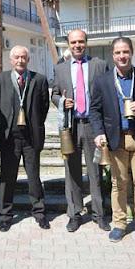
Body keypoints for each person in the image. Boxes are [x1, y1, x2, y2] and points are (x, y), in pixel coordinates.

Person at [90, 37, 135, 244]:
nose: (122, 56)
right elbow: (95, 110)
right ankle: (119, 224)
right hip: (116, 140)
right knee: (118, 185)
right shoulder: (102, 81)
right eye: (118, 52)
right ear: (112, 55)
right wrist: (98, 132)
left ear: (131, 53)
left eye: (125, 52)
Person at [51, 28, 110, 233]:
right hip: (71, 126)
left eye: (81, 41)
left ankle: (99, 214)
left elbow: (107, 93)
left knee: (96, 172)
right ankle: (74, 214)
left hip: (93, 125)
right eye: (73, 42)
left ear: (86, 42)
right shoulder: (60, 69)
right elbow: (54, 94)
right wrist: (61, 101)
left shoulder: (99, 65)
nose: (77, 45)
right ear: (68, 45)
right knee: (71, 172)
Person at [0, 46, 50, 232]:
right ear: (11, 60)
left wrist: (35, 123)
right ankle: (4, 215)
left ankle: (39, 213)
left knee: (34, 176)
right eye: (16, 57)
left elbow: (44, 107)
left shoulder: (39, 79)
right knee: (7, 177)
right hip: (9, 137)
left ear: (28, 60)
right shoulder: (1, 79)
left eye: (23, 57)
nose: (20, 60)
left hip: (31, 136)